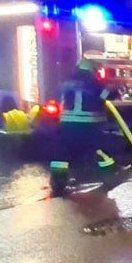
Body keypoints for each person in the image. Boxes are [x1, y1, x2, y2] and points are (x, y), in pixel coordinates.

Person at [50, 59, 117, 190]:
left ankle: (58, 182)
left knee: (62, 153)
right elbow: (106, 96)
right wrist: (113, 89)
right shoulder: (94, 84)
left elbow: (57, 95)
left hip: (67, 124)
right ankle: (109, 176)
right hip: (89, 125)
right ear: (91, 71)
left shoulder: (66, 84)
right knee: (99, 151)